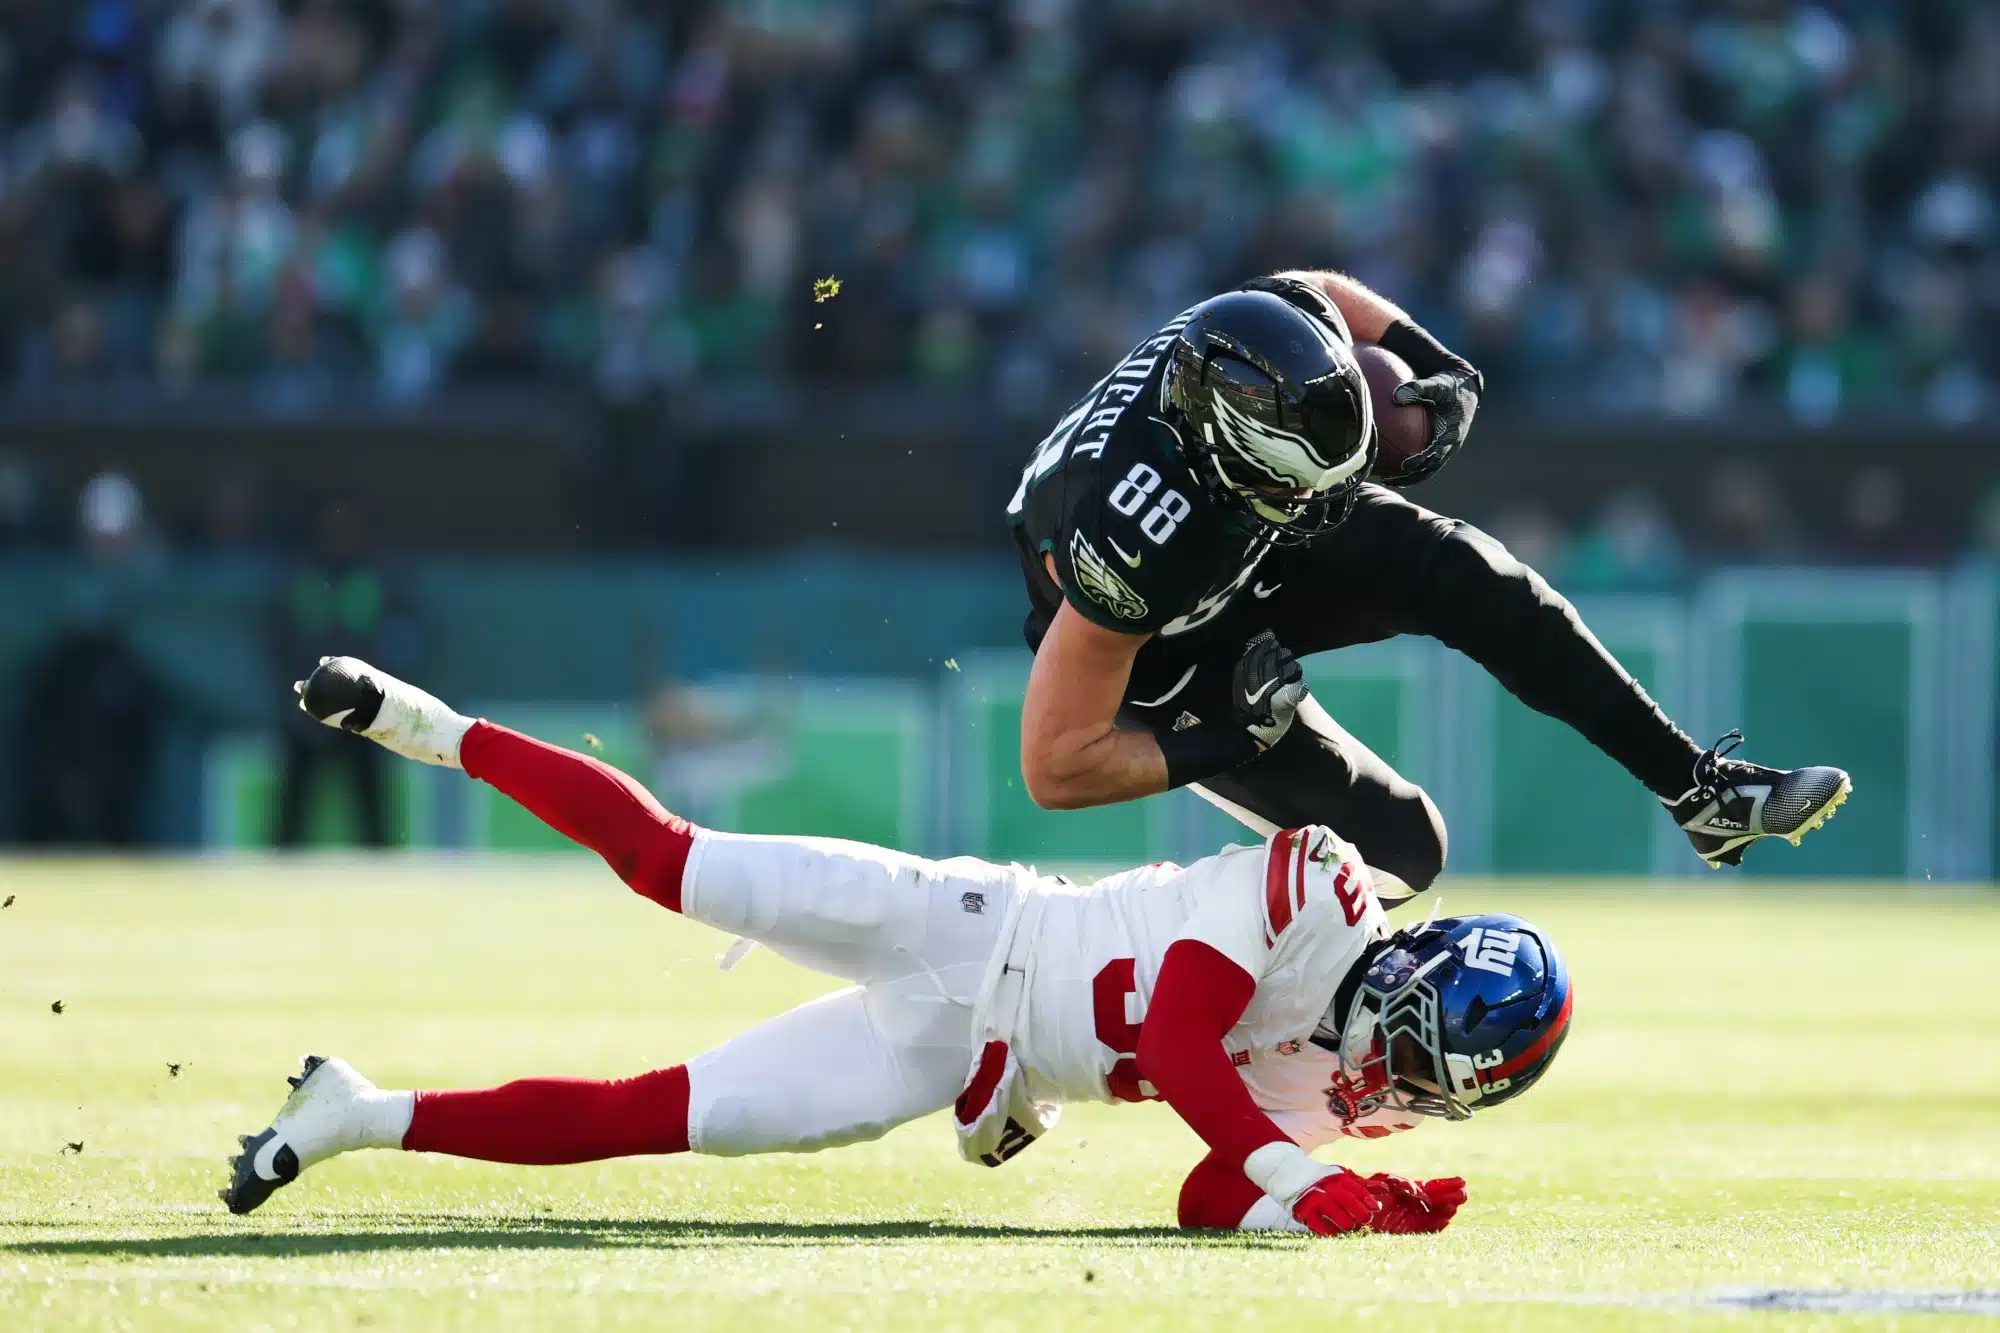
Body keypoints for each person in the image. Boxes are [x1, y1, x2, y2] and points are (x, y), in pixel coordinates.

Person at [219, 657, 1574, 1235]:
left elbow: (1203, 1200)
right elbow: (1175, 1042)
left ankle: (356, 1116)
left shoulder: (1344, 1091)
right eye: (1423, 1034)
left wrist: (1332, 1206)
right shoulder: (1322, 881)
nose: (1402, 1067)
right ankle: (422, 723)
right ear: (1427, 958)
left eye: (1432, 1071)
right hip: (972, 927)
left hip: (945, 1051)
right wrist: (1294, 1171)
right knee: (669, 862)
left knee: (668, 1117)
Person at [1007, 273, 1851, 894]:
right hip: (1165, 644)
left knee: (1475, 576)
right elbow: (1053, 764)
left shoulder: (1264, 336)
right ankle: (1180, 977)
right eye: (1298, 489)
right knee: (1398, 851)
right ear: (1229, 461)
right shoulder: (1131, 539)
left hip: (1234, 534)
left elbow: (1315, 289)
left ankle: (1699, 789)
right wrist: (1228, 739)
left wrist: (1431, 362)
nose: (1326, 509)